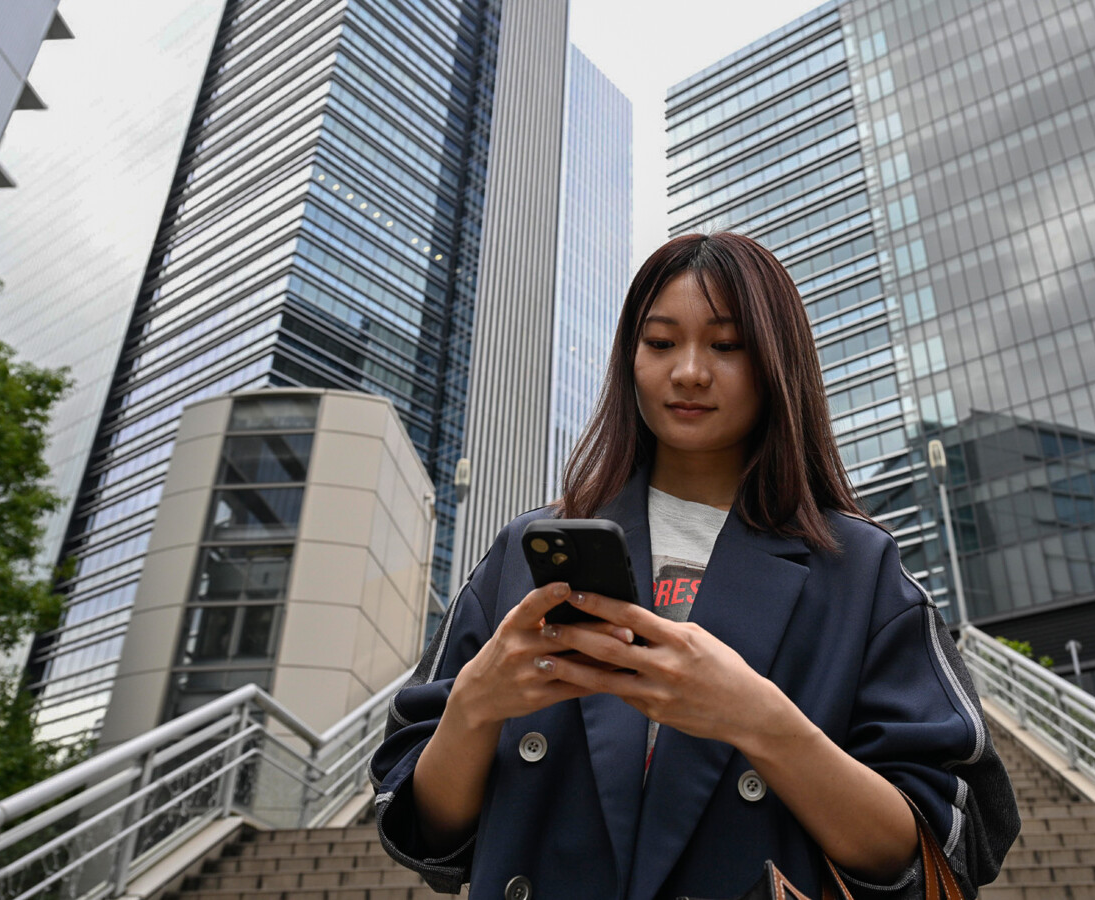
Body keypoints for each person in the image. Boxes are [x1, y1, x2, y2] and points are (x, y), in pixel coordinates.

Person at [371, 233, 1019, 900]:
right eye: (659, 343)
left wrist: (757, 717)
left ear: (776, 360)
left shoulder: (858, 569)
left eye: (726, 345)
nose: (688, 372)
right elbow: (424, 831)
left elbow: (944, 840)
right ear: (631, 359)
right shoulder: (526, 550)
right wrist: (476, 705)